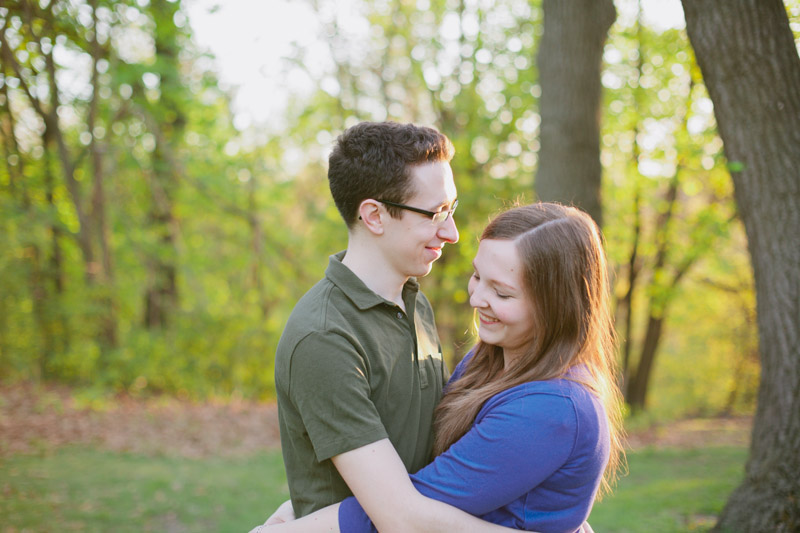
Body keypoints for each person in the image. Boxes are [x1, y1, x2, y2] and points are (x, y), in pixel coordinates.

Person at [255, 202, 625, 532]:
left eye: (503, 293)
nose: (477, 298)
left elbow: (409, 513)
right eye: (478, 276)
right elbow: (432, 471)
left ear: (557, 306)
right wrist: (301, 506)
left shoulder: (552, 408)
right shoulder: (490, 359)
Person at [264, 121, 515, 532]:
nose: (451, 232)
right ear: (374, 216)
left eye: (451, 209)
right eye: (435, 213)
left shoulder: (415, 302)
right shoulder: (325, 337)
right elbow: (400, 519)